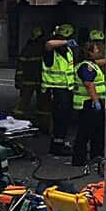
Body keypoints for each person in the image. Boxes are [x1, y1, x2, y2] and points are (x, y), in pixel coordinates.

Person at [42, 24, 77, 155]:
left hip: (66, 90)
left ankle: (59, 143)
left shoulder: (67, 51)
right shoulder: (51, 52)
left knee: (64, 119)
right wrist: (65, 41)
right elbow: (49, 44)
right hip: (56, 90)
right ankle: (57, 147)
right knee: (60, 119)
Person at [71, 40, 106, 167]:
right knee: (86, 133)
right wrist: (96, 101)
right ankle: (81, 159)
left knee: (95, 132)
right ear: (90, 52)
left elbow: (102, 62)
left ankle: (94, 157)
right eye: (96, 49)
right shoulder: (86, 66)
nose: (99, 51)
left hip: (89, 103)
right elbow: (88, 84)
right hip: (88, 104)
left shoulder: (90, 64)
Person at [13, 27, 50, 132]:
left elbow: (20, 65)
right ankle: (43, 125)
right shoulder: (44, 48)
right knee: (43, 104)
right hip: (40, 80)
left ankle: (16, 124)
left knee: (25, 103)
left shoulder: (28, 47)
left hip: (28, 80)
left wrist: (18, 79)